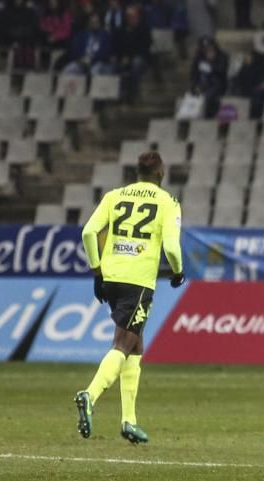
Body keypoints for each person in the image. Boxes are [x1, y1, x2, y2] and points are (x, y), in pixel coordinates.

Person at [74, 151, 185, 445]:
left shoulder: (114, 196)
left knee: (136, 345)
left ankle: (129, 421)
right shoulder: (167, 202)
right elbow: (172, 247)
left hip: (110, 278)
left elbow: (88, 232)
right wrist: (178, 272)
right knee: (122, 344)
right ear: (160, 174)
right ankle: (90, 395)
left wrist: (97, 272)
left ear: (137, 173)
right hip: (138, 282)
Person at [190, 36, 228, 119]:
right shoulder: (199, 57)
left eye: (209, 47)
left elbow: (222, 73)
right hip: (201, 84)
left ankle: (208, 118)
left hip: (216, 84)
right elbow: (194, 74)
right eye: (205, 48)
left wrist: (211, 64)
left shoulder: (221, 56)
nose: (207, 50)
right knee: (193, 95)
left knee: (208, 97)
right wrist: (195, 85)